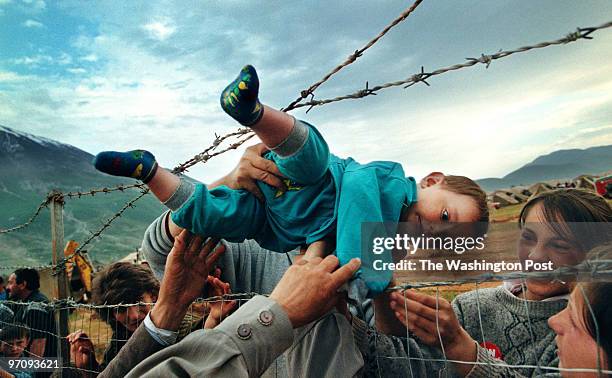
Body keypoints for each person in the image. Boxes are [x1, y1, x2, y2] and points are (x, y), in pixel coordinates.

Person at [92, 65, 489, 297]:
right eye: (446, 214)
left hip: (273, 223)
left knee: (218, 216)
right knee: (310, 158)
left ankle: (149, 171)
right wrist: (232, 178)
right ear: (433, 181)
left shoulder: (381, 277)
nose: (435, 228)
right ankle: (253, 112)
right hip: (311, 184)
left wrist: (374, 284)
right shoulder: (388, 183)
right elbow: (356, 196)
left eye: (440, 238)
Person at [355, 189, 612, 377]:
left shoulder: (586, 332)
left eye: (559, 245)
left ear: (593, 257)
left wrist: (460, 346)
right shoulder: (472, 306)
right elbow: (412, 367)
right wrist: (377, 287)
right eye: (529, 238)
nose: (534, 256)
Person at [96, 230, 362, 377]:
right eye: (120, 310)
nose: (132, 314)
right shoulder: (115, 346)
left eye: (134, 302)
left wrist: (177, 308)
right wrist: (275, 313)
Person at [67, 260, 235, 376]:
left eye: (139, 302)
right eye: (121, 309)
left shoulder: (184, 324)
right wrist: (89, 367)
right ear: (111, 313)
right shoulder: (120, 338)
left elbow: (200, 355)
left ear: (154, 296)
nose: (133, 315)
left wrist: (213, 319)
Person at [6, 269, 56, 360]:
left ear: (23, 285)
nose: (7, 287)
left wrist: (31, 371)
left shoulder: (36, 306)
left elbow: (38, 342)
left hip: (44, 366)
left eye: (10, 283)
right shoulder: (25, 302)